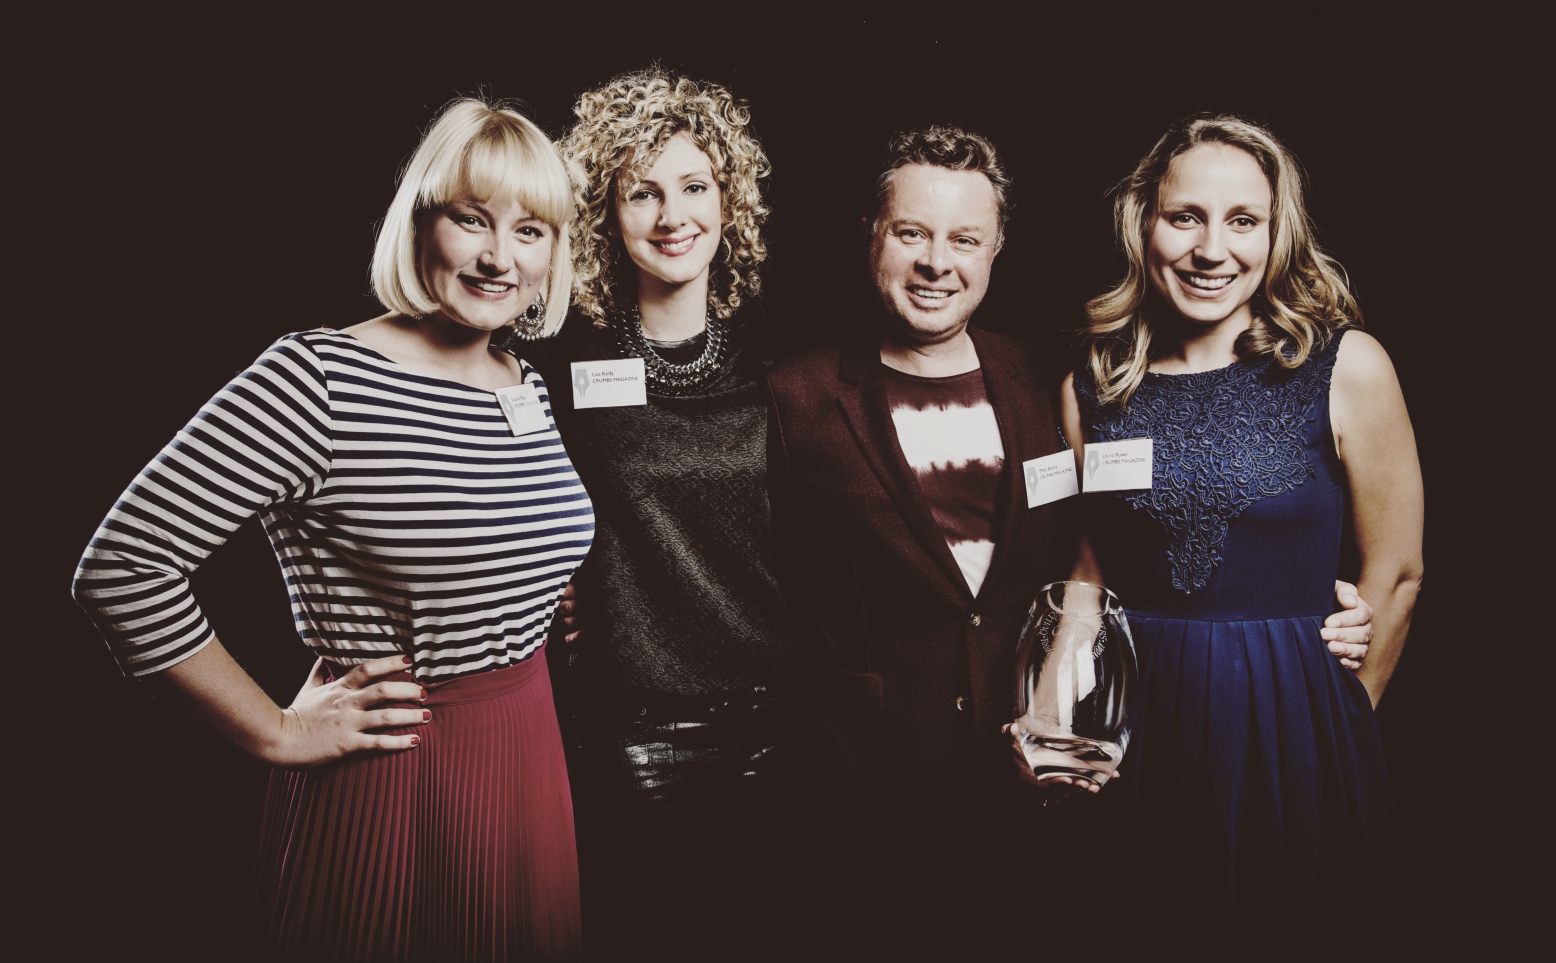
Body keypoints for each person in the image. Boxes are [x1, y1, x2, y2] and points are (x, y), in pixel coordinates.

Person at [763, 125, 1378, 951]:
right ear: (873, 235)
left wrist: (1326, 689)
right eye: (912, 232)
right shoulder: (796, 397)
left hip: (1119, 772)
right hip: (895, 779)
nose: (937, 261)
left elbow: (1396, 570)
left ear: (996, 249)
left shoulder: (1035, 376)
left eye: (965, 238)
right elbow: (1091, 573)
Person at [71, 98, 593, 962]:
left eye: (530, 230)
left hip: (530, 755)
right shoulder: (319, 376)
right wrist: (276, 729)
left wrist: (538, 584)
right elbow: (124, 564)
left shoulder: (523, 382)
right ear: (422, 224)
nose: (501, 257)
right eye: (473, 220)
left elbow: (478, 526)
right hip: (396, 772)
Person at [1063, 115, 1423, 929]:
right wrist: (1055, 717)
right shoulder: (1094, 385)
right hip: (1139, 732)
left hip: (1298, 729)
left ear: (1276, 233)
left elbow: (1396, 574)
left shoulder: (1345, 365)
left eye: (1243, 221)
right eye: (1185, 216)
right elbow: (1086, 576)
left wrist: (1336, 726)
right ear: (1144, 222)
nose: (1211, 249)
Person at [518, 69, 802, 957]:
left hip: (786, 713)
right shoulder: (562, 363)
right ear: (608, 212)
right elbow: (521, 502)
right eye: (643, 192)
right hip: (640, 725)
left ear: (730, 202)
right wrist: (554, 582)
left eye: (694, 186)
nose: (672, 215)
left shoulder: (782, 355)